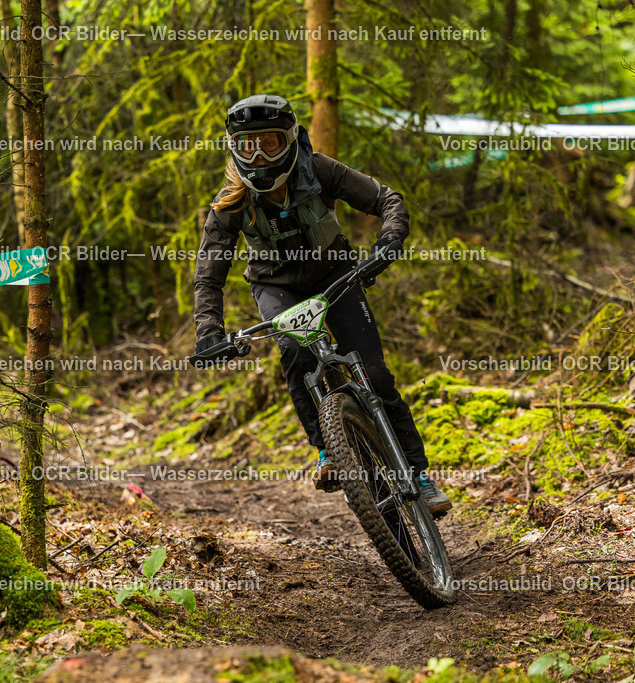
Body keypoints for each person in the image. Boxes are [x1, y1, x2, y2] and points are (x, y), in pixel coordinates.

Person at [192, 94, 451, 514]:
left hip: (337, 277)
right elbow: (208, 275)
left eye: (269, 144)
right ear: (233, 147)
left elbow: (388, 200)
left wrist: (388, 241)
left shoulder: (320, 170)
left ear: (291, 140)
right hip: (276, 288)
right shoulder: (230, 203)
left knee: (376, 376)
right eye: (247, 145)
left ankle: (419, 475)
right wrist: (208, 331)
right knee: (295, 353)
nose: (258, 156)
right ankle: (328, 450)